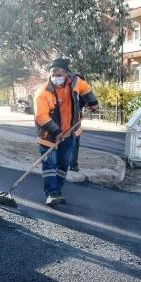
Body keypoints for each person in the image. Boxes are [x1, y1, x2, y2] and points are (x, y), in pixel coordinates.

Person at [33, 58, 98, 206]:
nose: (56, 78)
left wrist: (93, 102)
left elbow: (86, 89)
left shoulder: (75, 82)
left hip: (69, 133)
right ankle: (51, 194)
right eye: (53, 75)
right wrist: (56, 132)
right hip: (48, 136)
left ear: (67, 74)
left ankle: (57, 191)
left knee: (63, 165)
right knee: (50, 164)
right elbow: (41, 116)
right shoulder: (42, 92)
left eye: (59, 75)